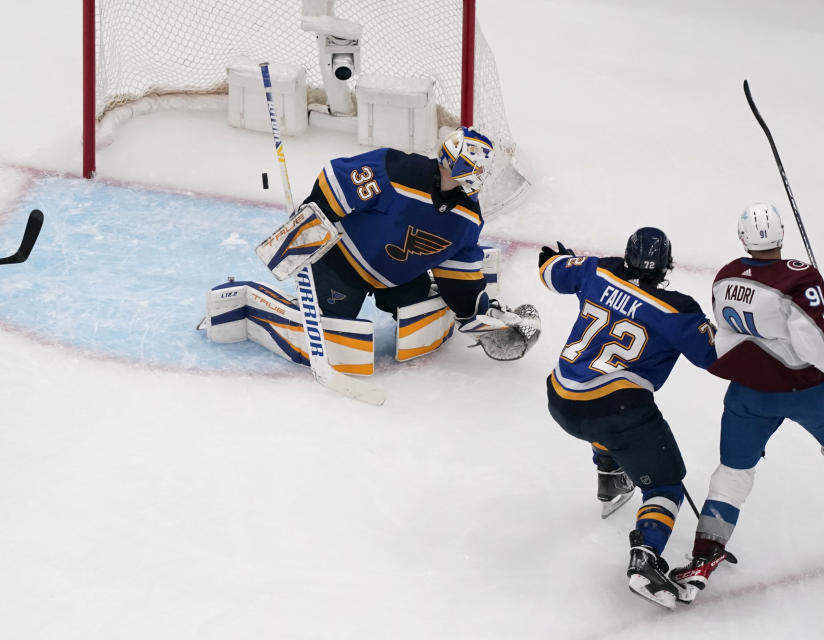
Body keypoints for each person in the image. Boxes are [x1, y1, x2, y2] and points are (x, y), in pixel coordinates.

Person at [670, 202, 824, 602]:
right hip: (809, 391)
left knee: (732, 474)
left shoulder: (725, 276)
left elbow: (727, 331)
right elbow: (813, 338)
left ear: (743, 237)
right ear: (781, 234)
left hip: (749, 394)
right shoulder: (798, 278)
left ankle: (704, 557)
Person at [201, 127, 539, 373]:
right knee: (333, 339)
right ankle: (254, 304)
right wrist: (314, 215)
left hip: (400, 277)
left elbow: (458, 266)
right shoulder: (397, 170)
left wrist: (473, 311)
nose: (477, 178)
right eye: (473, 169)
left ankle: (427, 294)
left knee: (422, 321)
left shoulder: (467, 217)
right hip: (343, 263)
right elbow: (338, 178)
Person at [539, 228, 717, 610]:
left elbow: (550, 272)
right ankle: (645, 559)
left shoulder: (597, 271)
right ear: (668, 265)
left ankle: (610, 476)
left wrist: (558, 259)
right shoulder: (679, 309)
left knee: (600, 407)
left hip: (561, 398)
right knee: (665, 487)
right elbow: (716, 359)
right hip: (616, 412)